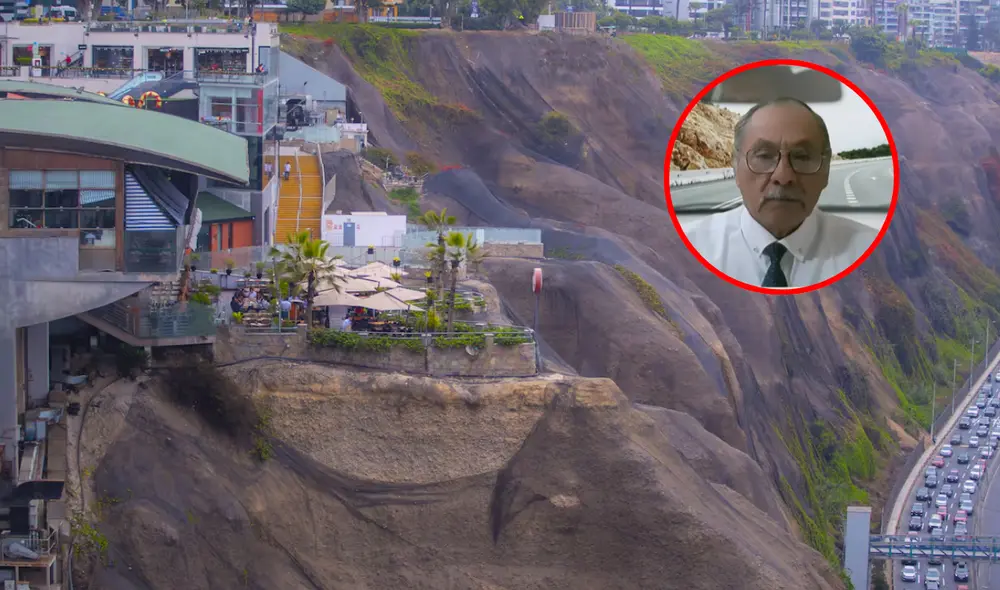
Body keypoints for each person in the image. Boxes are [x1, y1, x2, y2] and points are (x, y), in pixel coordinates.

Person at [682, 97, 878, 289]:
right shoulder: (687, 252)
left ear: (825, 170)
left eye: (801, 157)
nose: (783, 176)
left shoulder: (870, 255)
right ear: (735, 167)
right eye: (765, 156)